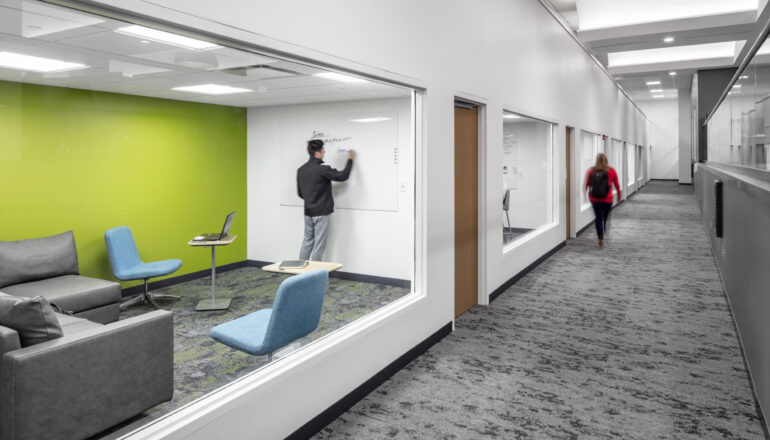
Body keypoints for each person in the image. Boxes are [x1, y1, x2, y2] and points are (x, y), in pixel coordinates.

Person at [297, 139, 355, 261]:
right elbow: (343, 176)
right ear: (317, 153)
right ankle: (315, 275)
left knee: (307, 241)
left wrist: (312, 198)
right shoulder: (322, 169)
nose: (324, 151)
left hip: (308, 212)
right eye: (323, 150)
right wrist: (350, 159)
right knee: (319, 245)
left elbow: (301, 193)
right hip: (321, 213)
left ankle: (299, 273)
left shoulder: (301, 170)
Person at [584, 153, 621, 248]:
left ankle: (600, 237)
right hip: (607, 200)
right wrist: (619, 196)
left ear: (597, 160)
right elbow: (616, 184)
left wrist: (587, 195)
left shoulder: (591, 170)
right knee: (606, 217)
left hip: (595, 199)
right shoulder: (611, 171)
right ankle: (604, 231)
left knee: (598, 218)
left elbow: (586, 184)